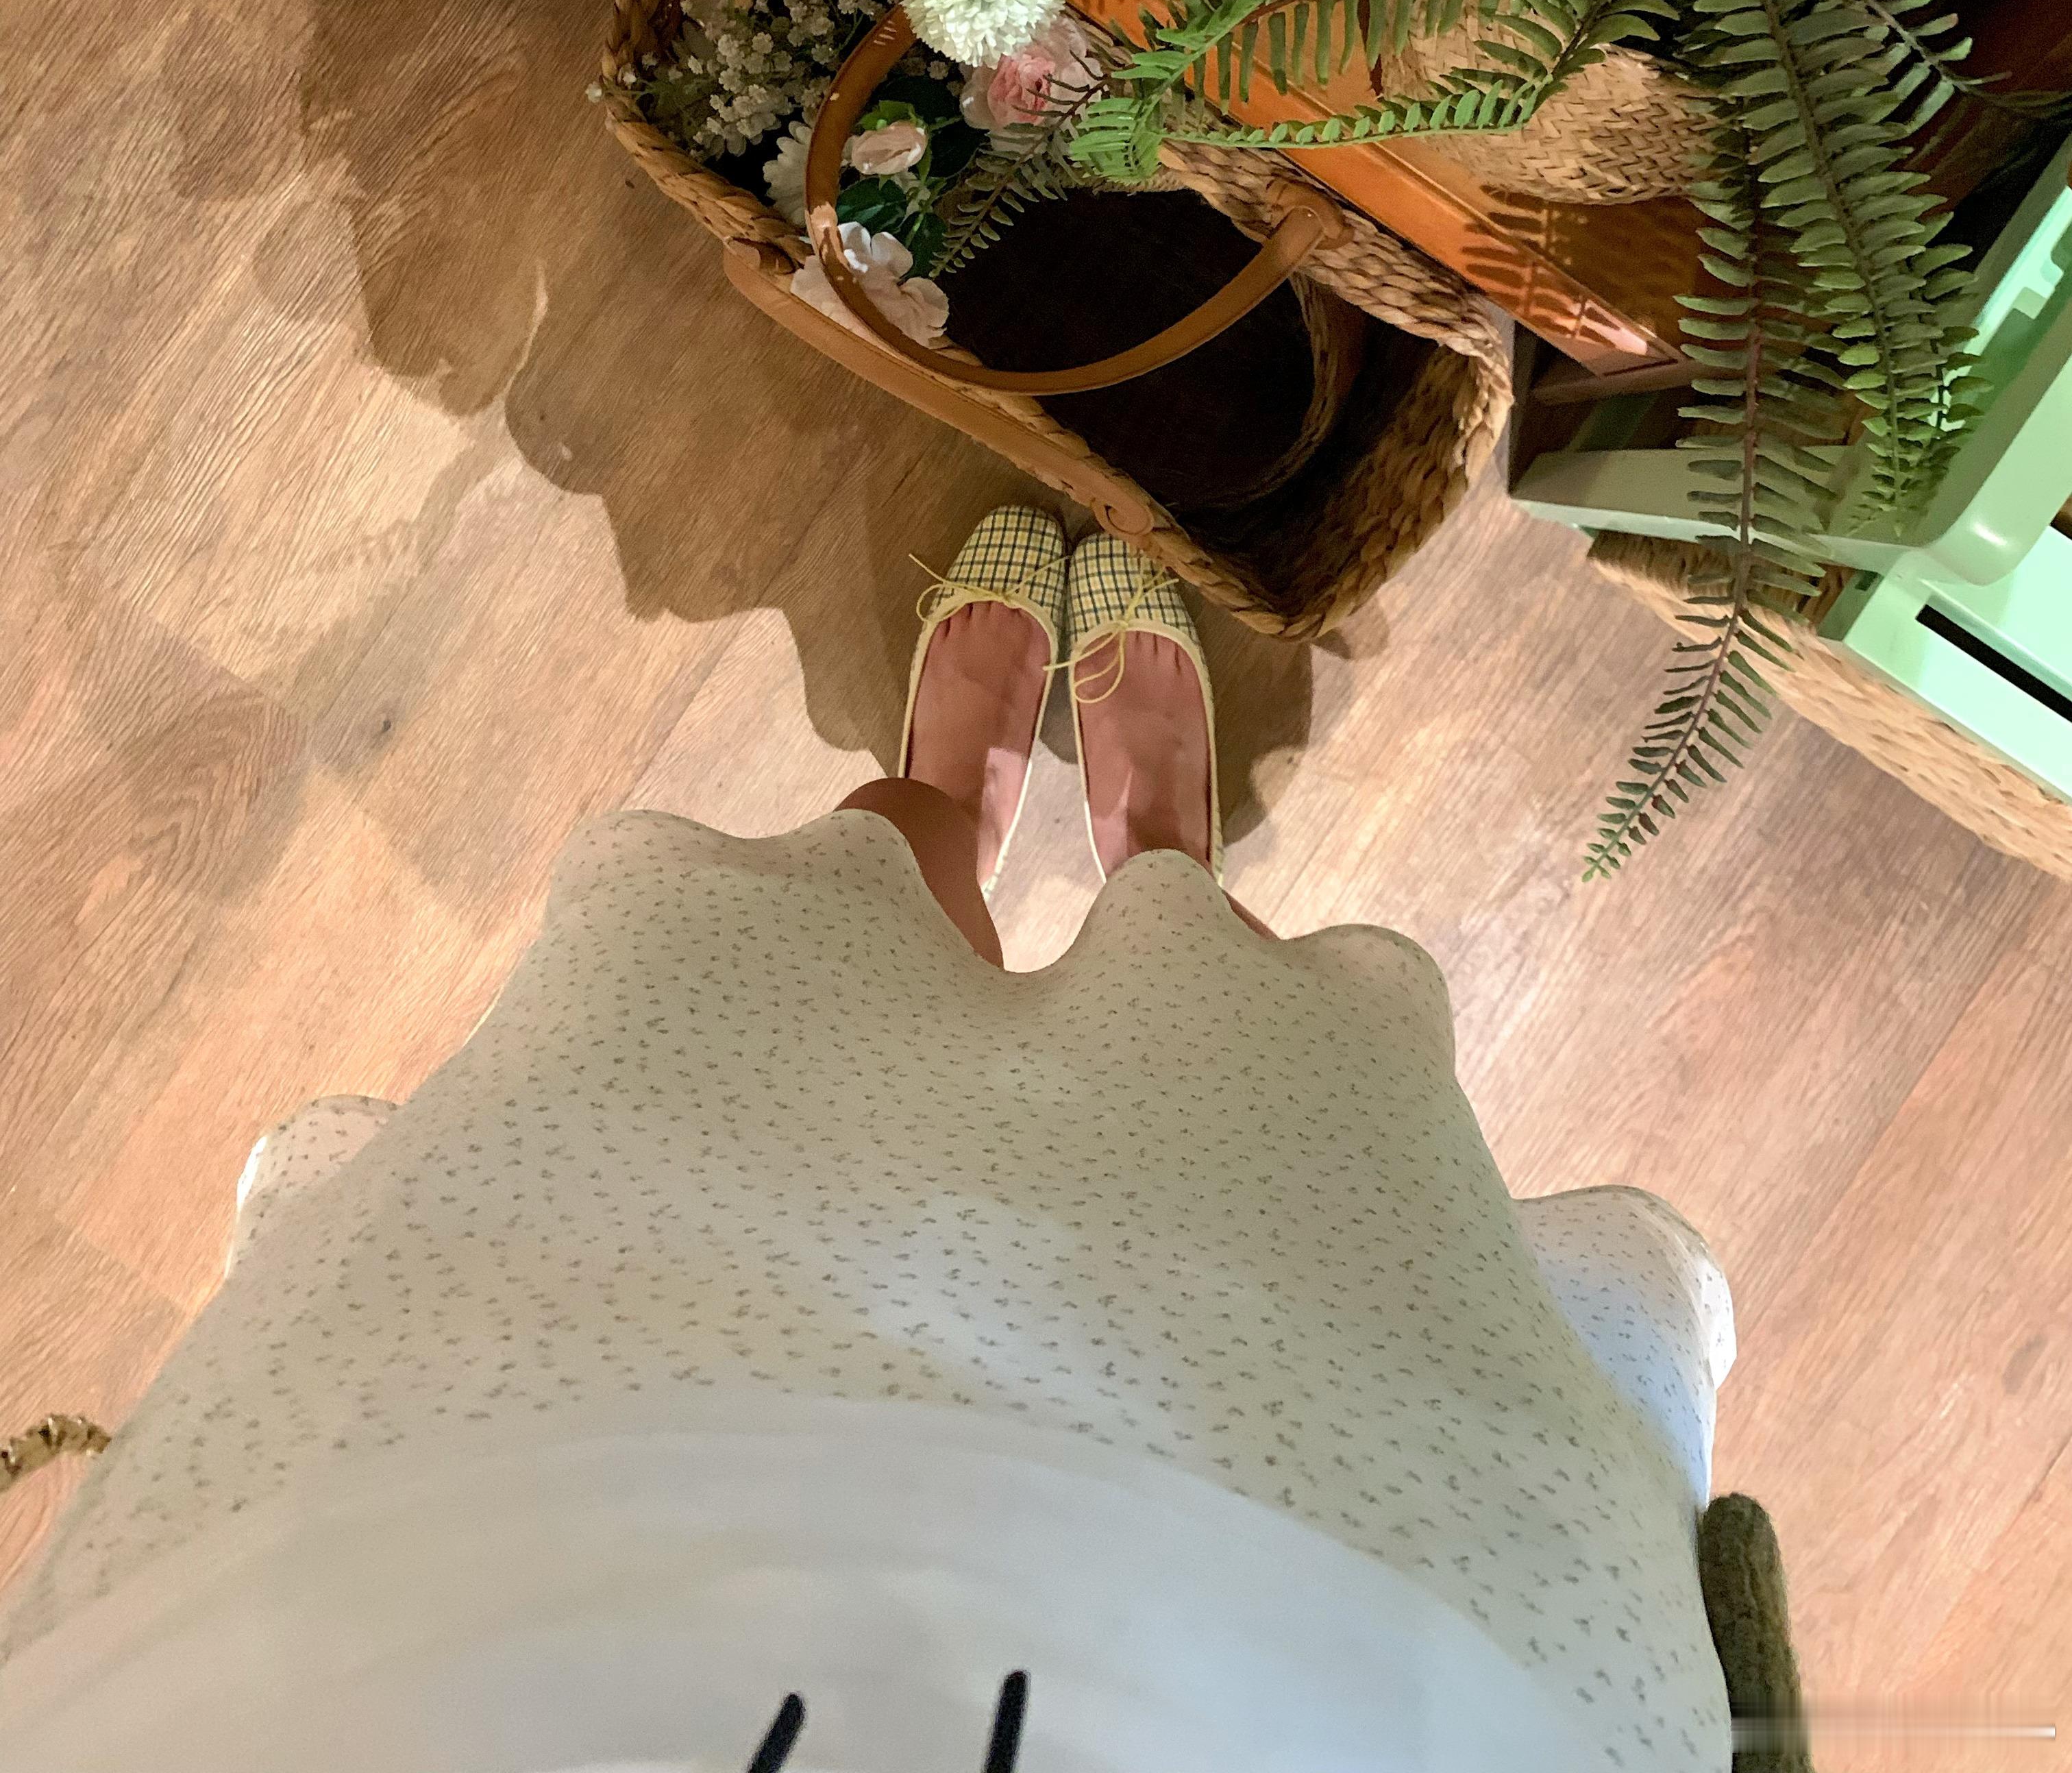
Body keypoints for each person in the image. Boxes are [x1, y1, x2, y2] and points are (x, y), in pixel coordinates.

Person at [0, 507, 1738, 1772]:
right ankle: (1162, 876)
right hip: (1340, 1634)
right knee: (1266, 1116)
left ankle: (931, 825)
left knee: (751, 1001)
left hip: (415, 1593)